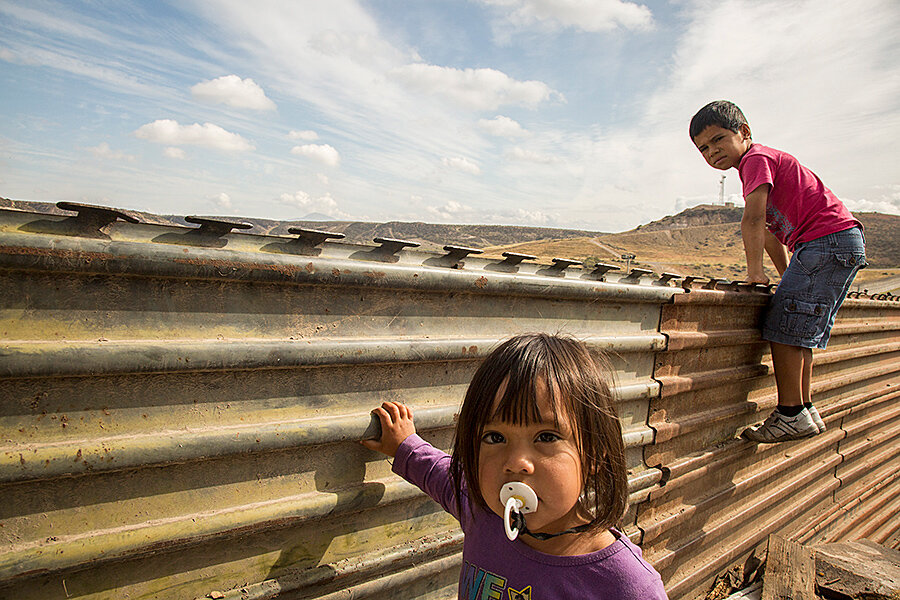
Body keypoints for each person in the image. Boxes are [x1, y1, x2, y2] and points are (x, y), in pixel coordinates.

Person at [362, 333, 668, 599]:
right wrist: (404, 444)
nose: (516, 463)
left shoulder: (626, 586)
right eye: (495, 437)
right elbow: (438, 473)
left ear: (595, 454)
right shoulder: (482, 512)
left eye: (546, 436)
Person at [689, 100, 866, 443]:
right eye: (704, 149)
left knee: (783, 328)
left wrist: (754, 272)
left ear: (745, 133)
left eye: (719, 140)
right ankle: (804, 407)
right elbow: (771, 232)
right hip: (834, 243)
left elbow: (754, 219)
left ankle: (789, 414)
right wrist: (786, 274)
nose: (712, 152)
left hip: (825, 242)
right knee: (798, 330)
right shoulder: (759, 163)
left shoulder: (756, 159)